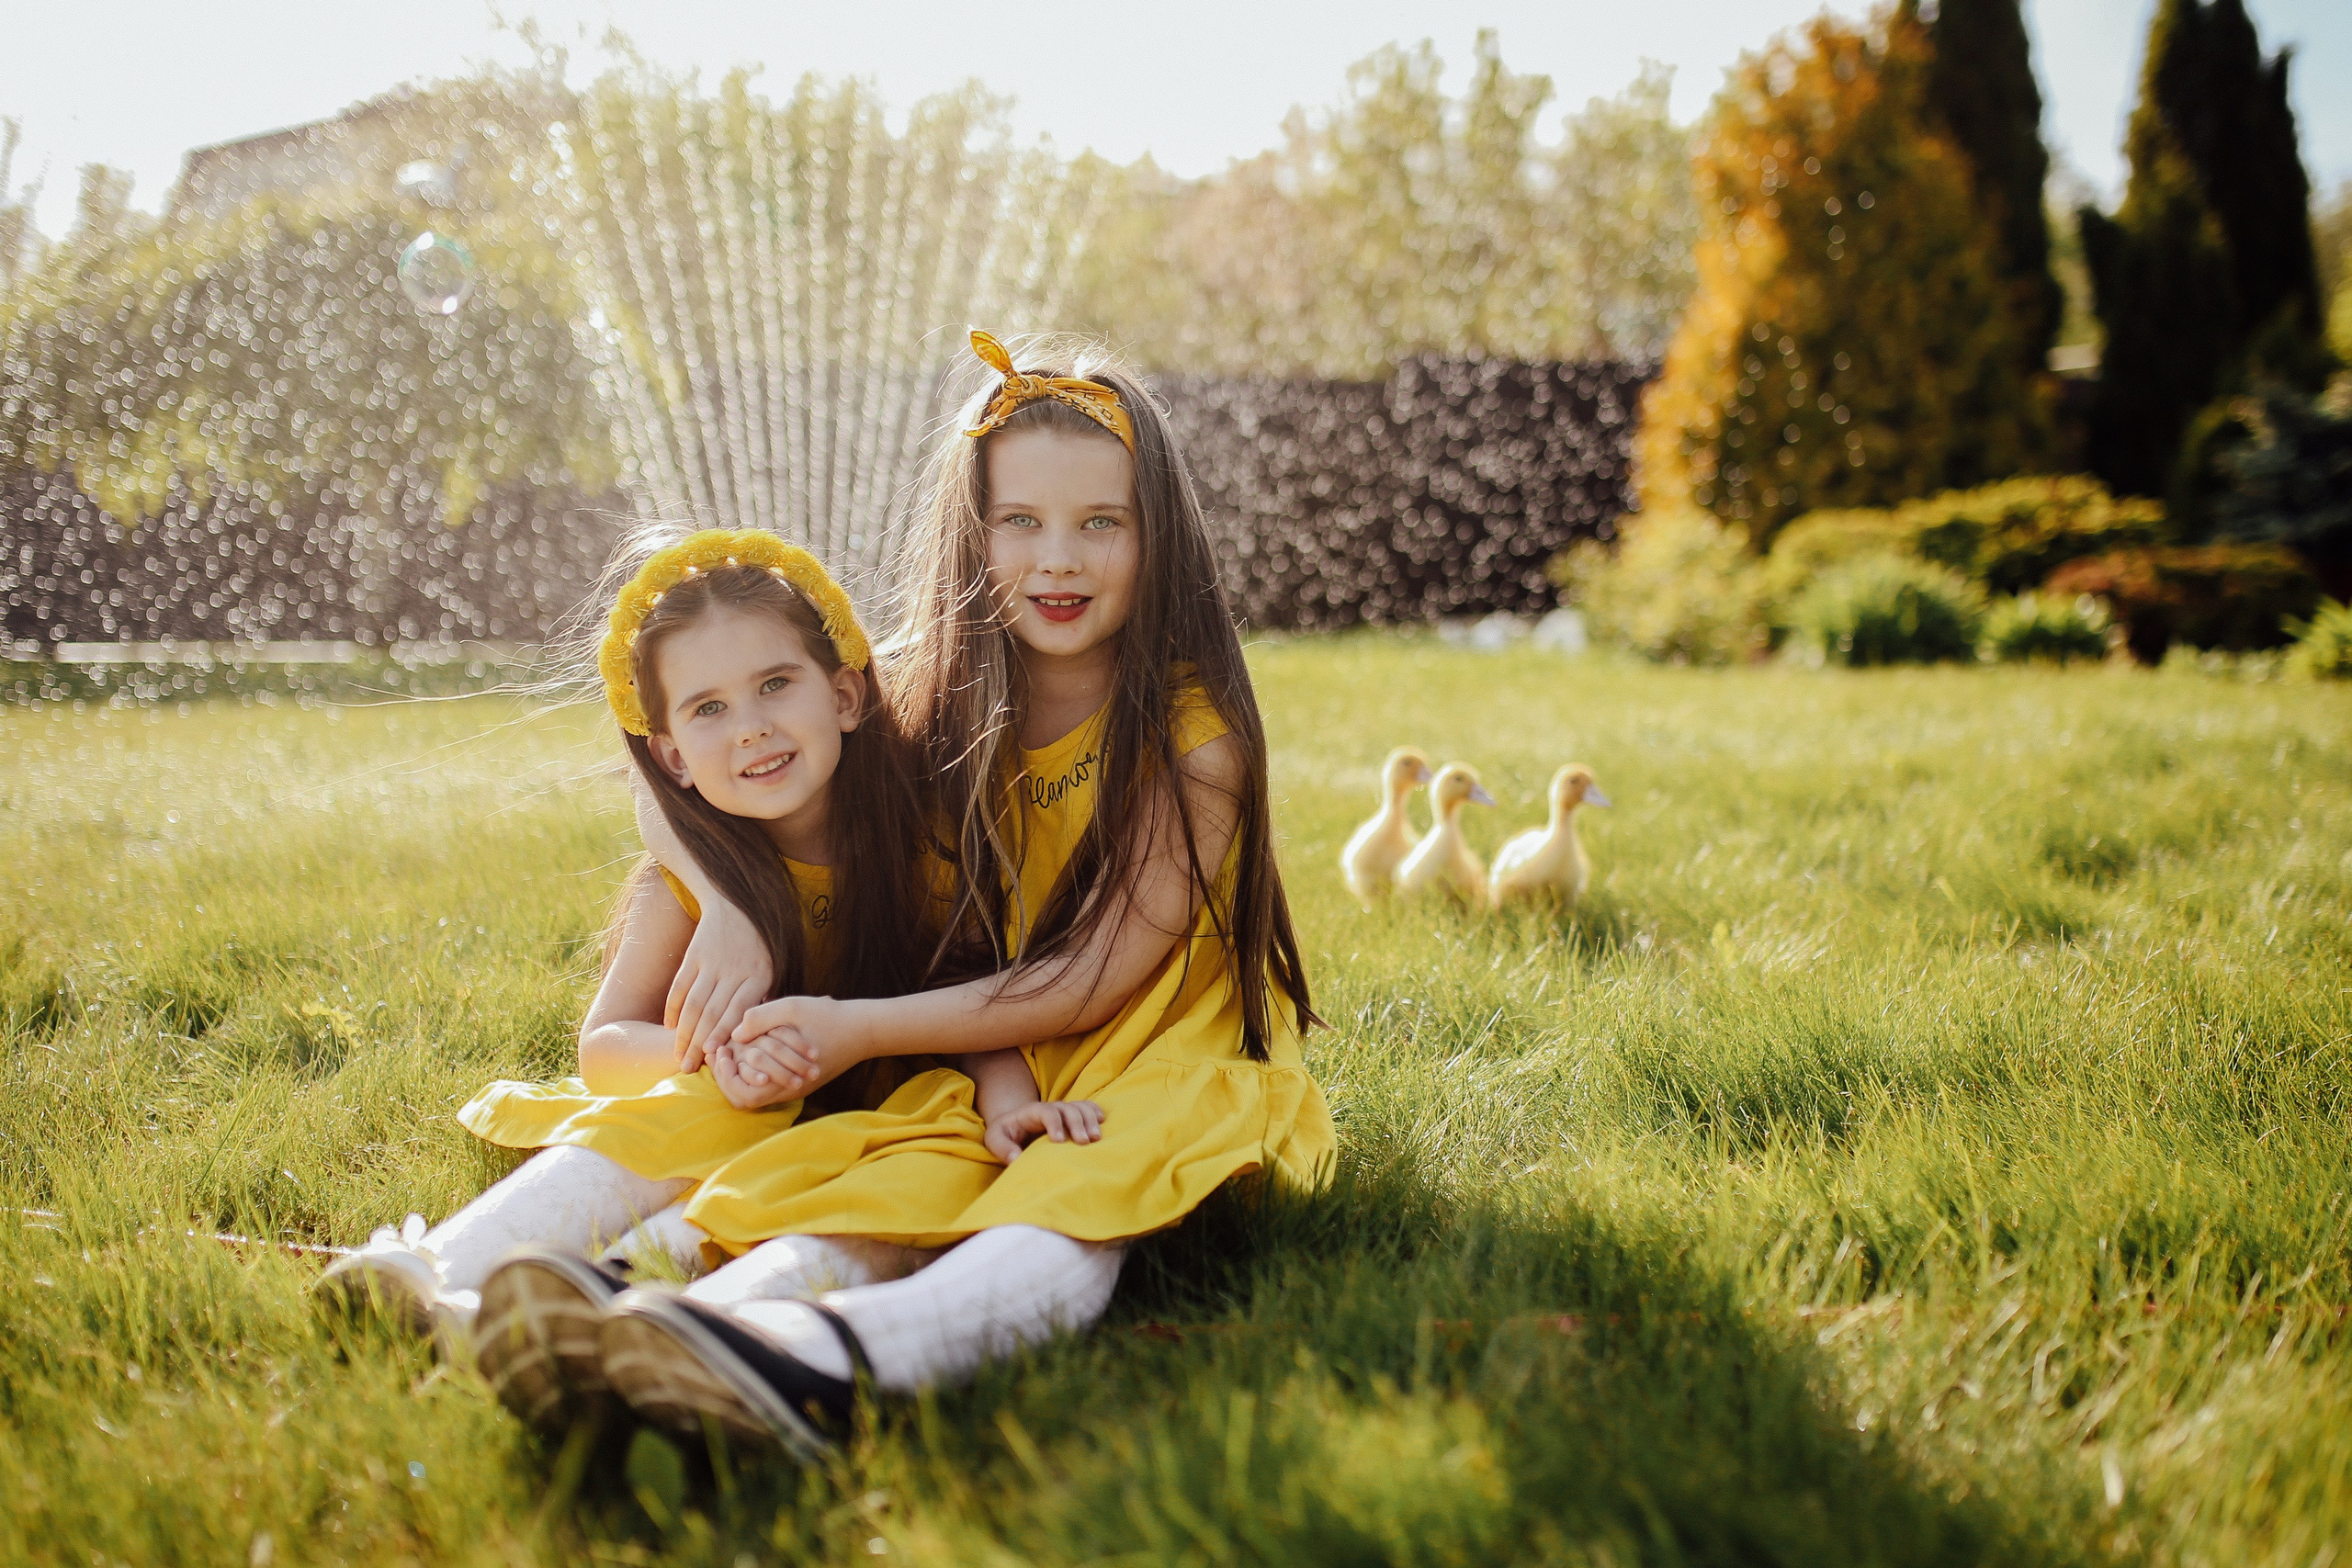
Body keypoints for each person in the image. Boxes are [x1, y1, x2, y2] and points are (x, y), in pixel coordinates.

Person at [590, 330, 1335, 1456]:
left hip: (1147, 1054)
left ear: (1156, 536)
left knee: (1077, 1191)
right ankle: (674, 1333)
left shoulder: (1195, 740)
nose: (1060, 562)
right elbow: (664, 779)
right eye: (1020, 523)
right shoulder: (921, 694)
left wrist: (856, 1029)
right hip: (979, 1052)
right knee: (889, 1179)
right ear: (971, 534)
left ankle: (839, 1363)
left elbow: (1087, 983)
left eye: (1102, 524)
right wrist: (729, 908)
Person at [317, 529, 1081, 1427]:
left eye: (774, 685)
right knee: (694, 1108)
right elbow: (604, 1049)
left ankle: (653, 1315)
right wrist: (712, 1061)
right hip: (735, 1113)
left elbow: (975, 995)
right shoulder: (692, 881)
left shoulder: (922, 842)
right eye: (708, 709)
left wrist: (1007, 1107)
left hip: (878, 1118)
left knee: (925, 1153)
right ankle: (443, 1273)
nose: (751, 726)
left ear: (842, 695)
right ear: (673, 754)